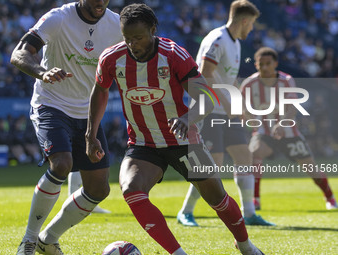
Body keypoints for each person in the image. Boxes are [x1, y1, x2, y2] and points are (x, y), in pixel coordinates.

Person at [86, 3, 264, 255]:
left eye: (138, 37)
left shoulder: (174, 55)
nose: (133, 44)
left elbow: (206, 98)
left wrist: (187, 118)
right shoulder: (112, 58)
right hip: (143, 144)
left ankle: (245, 244)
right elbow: (100, 90)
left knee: (217, 198)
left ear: (153, 29)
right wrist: (90, 134)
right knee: (131, 189)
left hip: (182, 139)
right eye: (127, 38)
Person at [10, 1, 122, 254]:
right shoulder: (58, 18)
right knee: (61, 164)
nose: (101, 2)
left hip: (88, 113)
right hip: (51, 104)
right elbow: (19, 54)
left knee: (99, 189)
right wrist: (42, 72)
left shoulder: (116, 24)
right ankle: (28, 239)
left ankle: (47, 239)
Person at [176, 0, 274, 227]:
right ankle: (186, 212)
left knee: (243, 157)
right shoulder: (217, 40)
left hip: (226, 111)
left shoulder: (235, 43)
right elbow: (205, 74)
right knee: (213, 164)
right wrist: (226, 103)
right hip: (208, 110)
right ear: (244, 21)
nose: (251, 30)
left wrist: (239, 107)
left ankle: (249, 213)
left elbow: (227, 79)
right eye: (252, 25)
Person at [239, 46, 337, 211]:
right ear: (255, 64)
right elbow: (241, 107)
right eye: (260, 64)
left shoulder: (286, 80)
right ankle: (255, 199)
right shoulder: (249, 84)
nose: (264, 67)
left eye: (268, 63)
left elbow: (292, 107)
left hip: (289, 132)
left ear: (275, 63)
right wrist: (250, 120)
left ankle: (330, 198)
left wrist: (282, 124)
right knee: (254, 152)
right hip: (264, 132)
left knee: (310, 167)